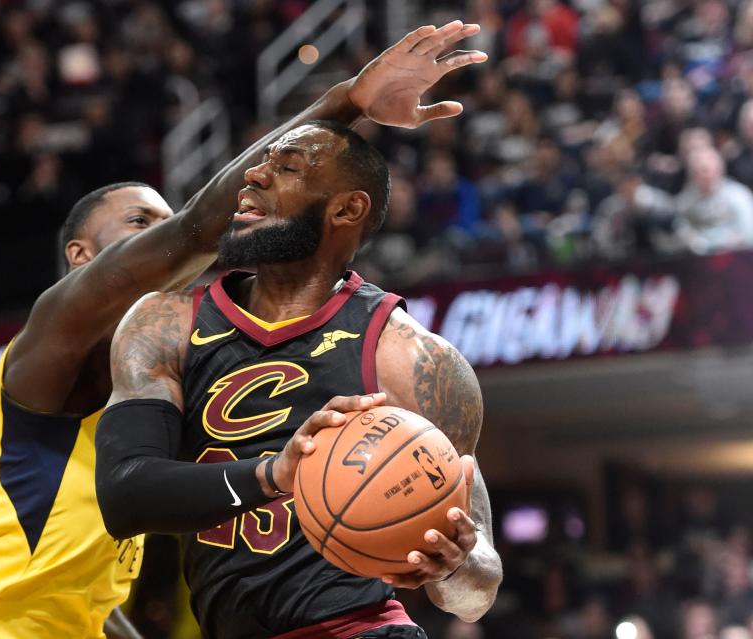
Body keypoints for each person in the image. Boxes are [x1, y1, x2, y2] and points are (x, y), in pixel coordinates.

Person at [0, 21, 486, 639]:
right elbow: (194, 231)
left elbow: (88, 598)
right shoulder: (57, 332)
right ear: (82, 258)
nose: (165, 247)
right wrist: (348, 100)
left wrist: (457, 565)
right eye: (139, 224)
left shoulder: (169, 364)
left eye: (161, 222)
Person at [94, 28, 500, 639]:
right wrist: (272, 475)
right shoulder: (164, 323)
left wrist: (456, 564)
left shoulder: (415, 358)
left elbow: (475, 594)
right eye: (255, 167)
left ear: (346, 210)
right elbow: (125, 496)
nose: (252, 180)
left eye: (284, 169)